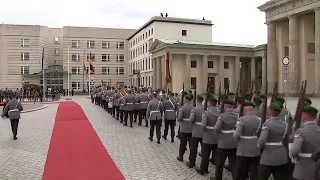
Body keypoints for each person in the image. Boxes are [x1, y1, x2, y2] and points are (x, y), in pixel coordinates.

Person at [257, 102, 289, 180]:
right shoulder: (285, 124)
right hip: (281, 156)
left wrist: (259, 145)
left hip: (267, 157)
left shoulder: (267, 124)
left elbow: (261, 141)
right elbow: (286, 140)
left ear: (270, 111)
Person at [289, 105, 320, 180]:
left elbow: (294, 151)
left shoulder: (301, 131)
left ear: (305, 116)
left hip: (303, 168)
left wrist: (293, 156)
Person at [233, 101, 261, 180]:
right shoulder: (259, 119)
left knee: (240, 171)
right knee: (254, 170)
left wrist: (238, 139)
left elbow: (236, 135)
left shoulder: (242, 119)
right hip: (256, 148)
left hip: (243, 149)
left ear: (245, 109)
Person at [210, 99, 237, 180]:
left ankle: (218, 178)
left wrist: (221, 131)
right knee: (234, 162)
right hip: (234, 142)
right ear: (233, 106)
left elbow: (216, 128)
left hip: (223, 142)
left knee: (220, 162)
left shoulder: (222, 116)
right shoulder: (238, 115)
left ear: (225, 106)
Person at [195, 97, 219, 175]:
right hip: (217, 137)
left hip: (208, 136)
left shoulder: (206, 113)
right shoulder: (220, 113)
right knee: (216, 155)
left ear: (209, 103)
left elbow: (203, 125)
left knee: (205, 154)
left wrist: (204, 131)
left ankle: (203, 169)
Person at [186, 95, 205, 168]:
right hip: (204, 132)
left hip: (196, 130)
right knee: (204, 148)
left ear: (197, 100)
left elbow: (191, 120)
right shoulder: (206, 109)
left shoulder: (194, 109)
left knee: (193, 148)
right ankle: (204, 163)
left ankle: (192, 162)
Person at [176, 94, 193, 161]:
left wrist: (180, 120)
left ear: (185, 99)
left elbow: (179, 117)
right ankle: (191, 158)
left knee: (182, 143)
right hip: (191, 128)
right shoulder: (193, 107)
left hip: (183, 127)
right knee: (192, 144)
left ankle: (181, 156)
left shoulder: (182, 108)